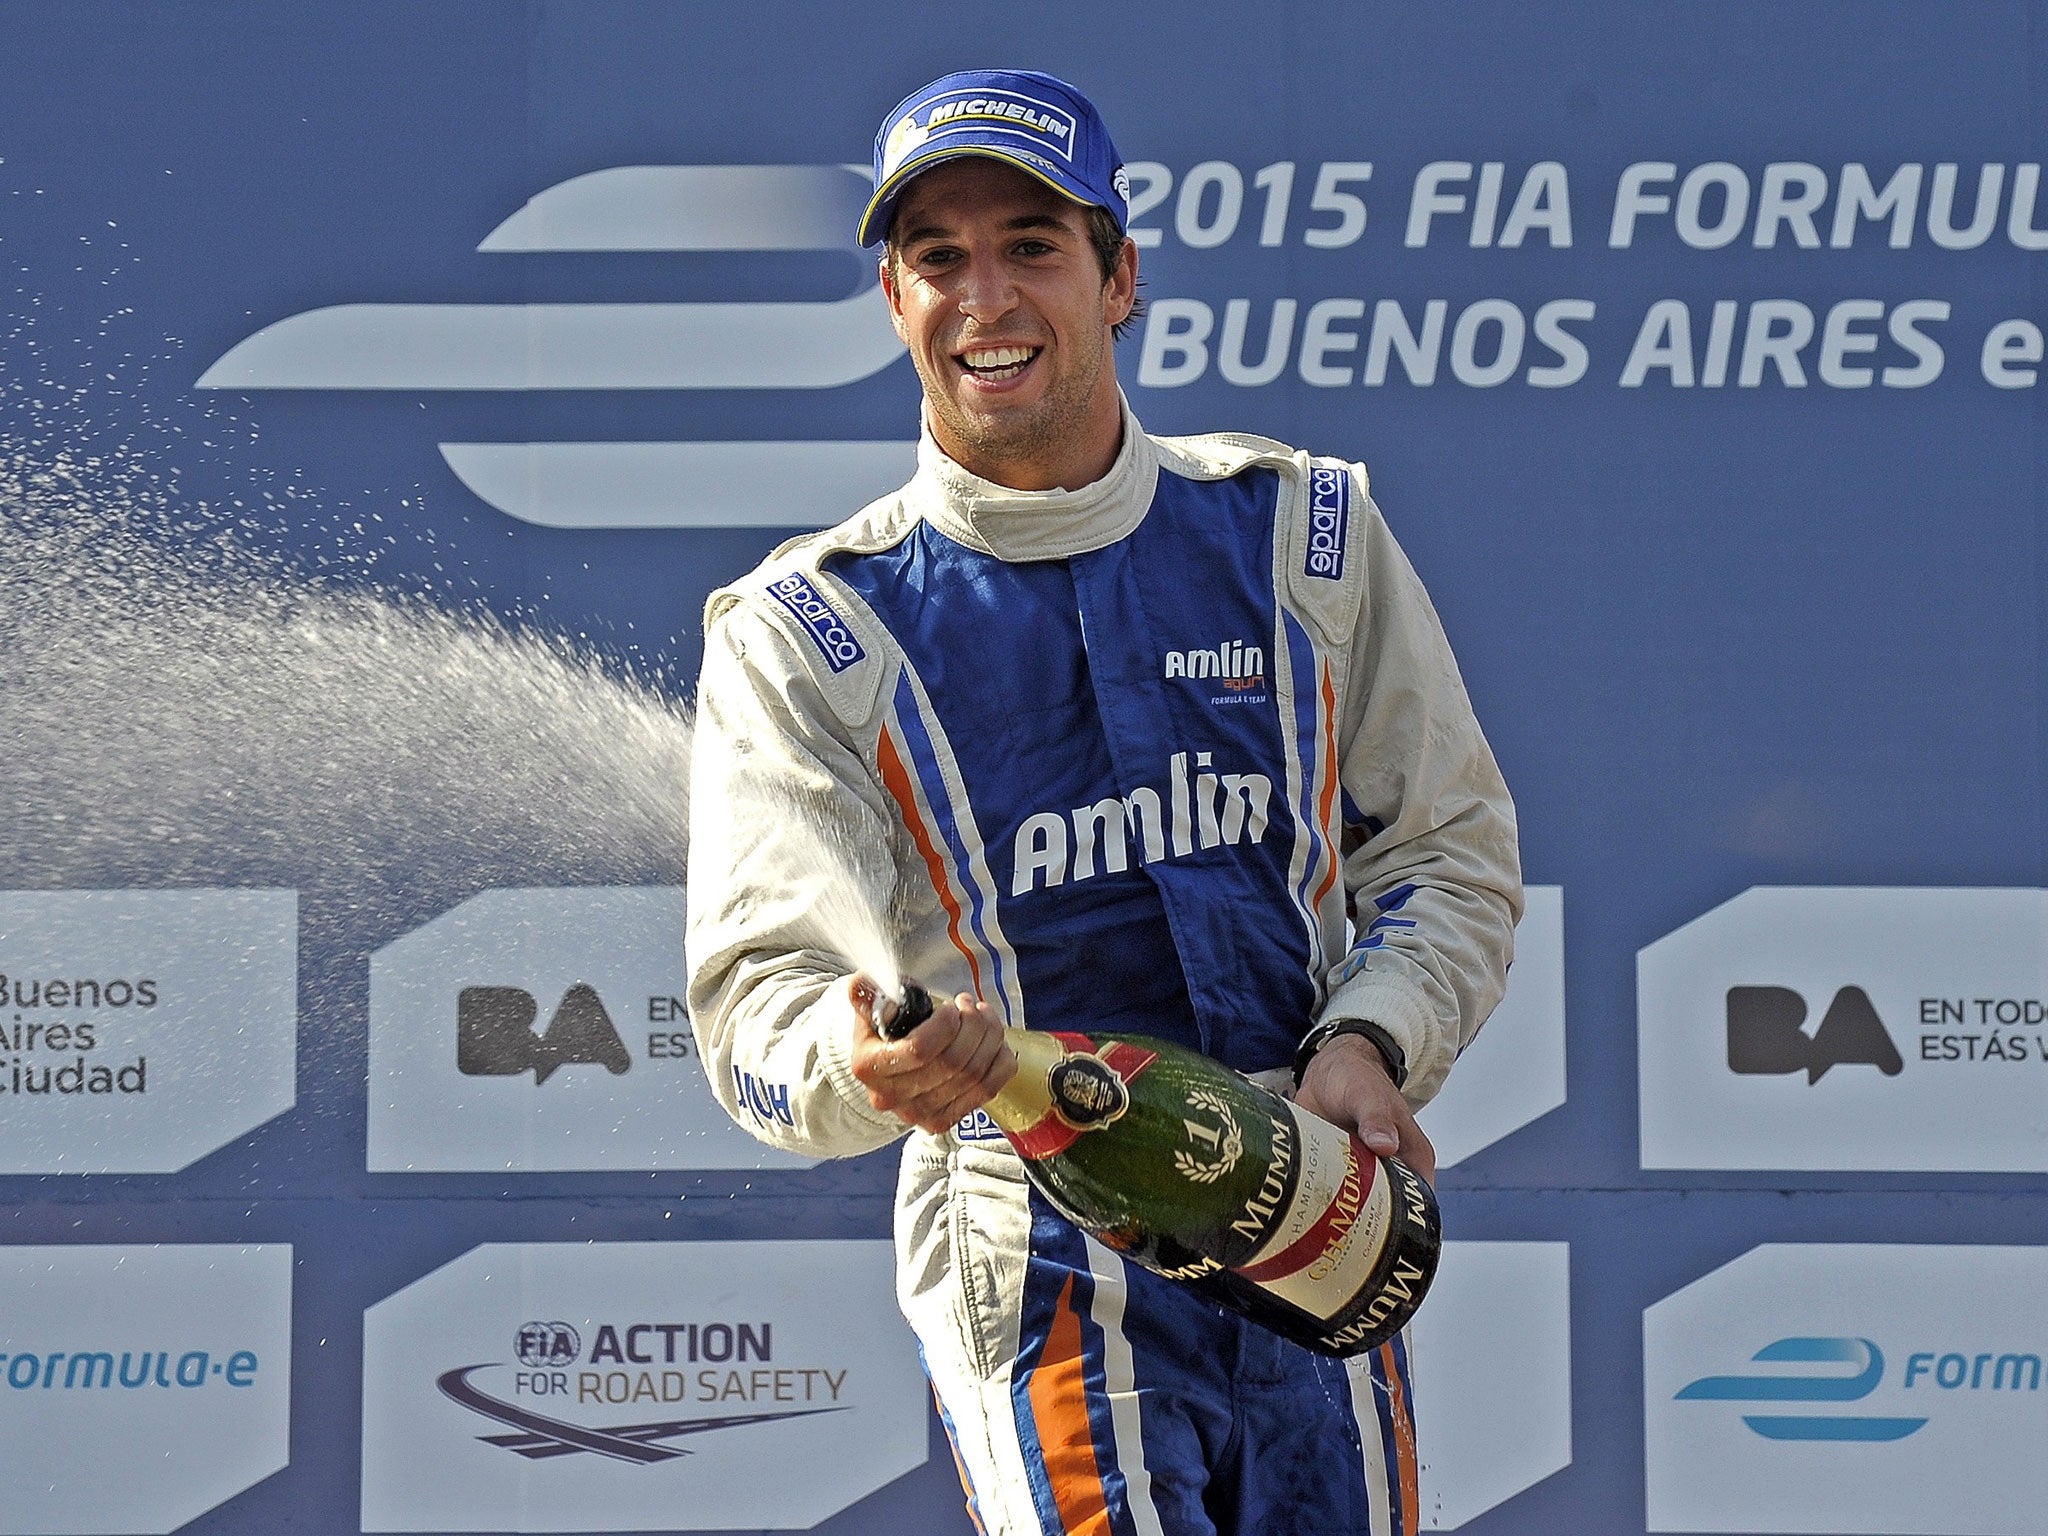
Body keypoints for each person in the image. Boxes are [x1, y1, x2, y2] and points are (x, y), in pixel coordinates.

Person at [687, 67, 1520, 1536]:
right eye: (938, 258)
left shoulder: (1304, 533)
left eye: (1031, 245)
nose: (985, 298)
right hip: (1033, 1224)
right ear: (892, 299)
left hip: (1305, 1195)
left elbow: (1451, 859)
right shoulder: (807, 631)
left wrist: (1371, 1040)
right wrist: (867, 1062)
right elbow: (757, 1005)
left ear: (1120, 276)